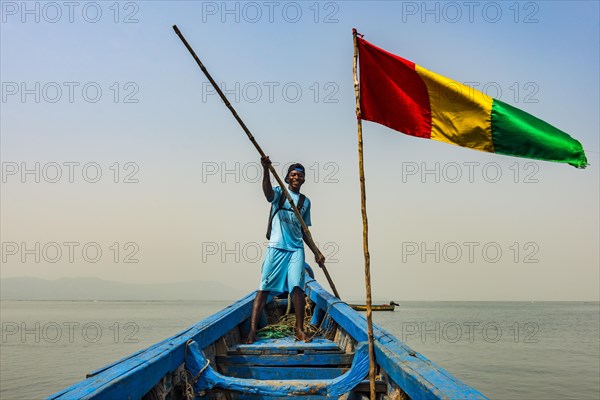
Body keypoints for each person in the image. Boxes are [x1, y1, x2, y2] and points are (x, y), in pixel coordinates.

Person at [244, 156, 325, 344]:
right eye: (293, 174)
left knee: (297, 287)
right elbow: (267, 193)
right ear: (288, 178)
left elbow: (305, 231)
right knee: (264, 287)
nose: (297, 177)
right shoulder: (280, 193)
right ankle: (253, 329)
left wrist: (316, 252)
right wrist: (265, 169)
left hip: (296, 249)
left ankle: (299, 328)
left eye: (300, 175)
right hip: (277, 247)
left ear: (303, 180)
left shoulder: (305, 202)